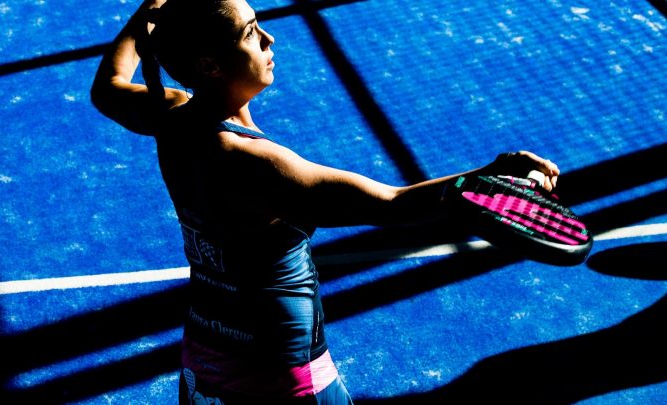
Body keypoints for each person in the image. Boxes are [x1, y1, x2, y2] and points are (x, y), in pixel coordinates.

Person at [90, 0, 560, 403]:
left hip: (205, 356)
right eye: (251, 33)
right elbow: (391, 204)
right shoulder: (254, 162)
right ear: (210, 65)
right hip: (280, 374)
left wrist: (146, 13)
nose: (270, 39)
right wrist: (492, 176)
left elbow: (109, 84)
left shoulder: (170, 117)